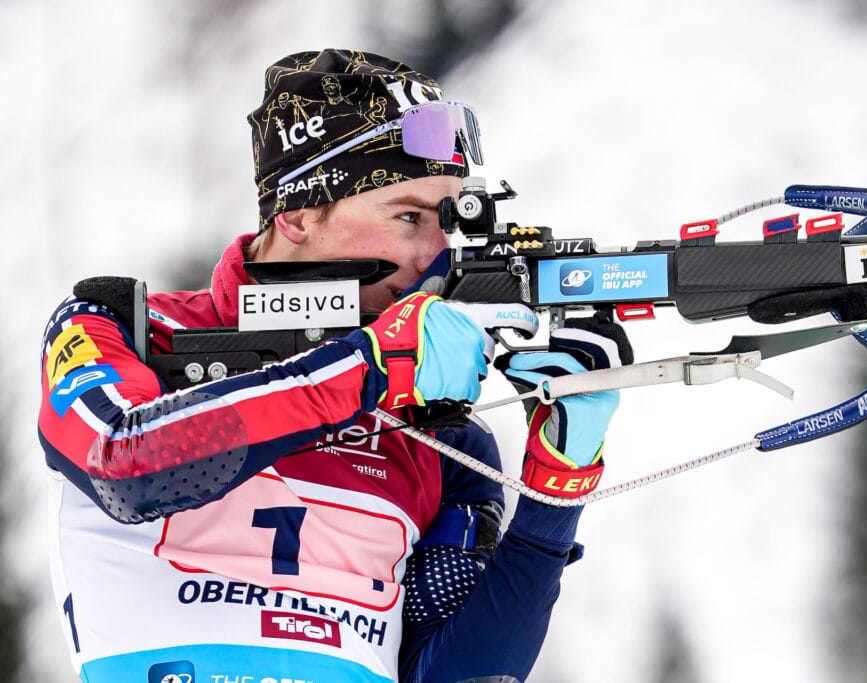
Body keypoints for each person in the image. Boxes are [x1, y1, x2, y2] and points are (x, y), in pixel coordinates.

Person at [38, 49, 629, 683]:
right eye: (408, 216)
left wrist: (554, 491)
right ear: (294, 213)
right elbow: (125, 462)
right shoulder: (126, 328)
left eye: (449, 221)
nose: (436, 253)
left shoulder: (444, 437)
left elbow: (455, 674)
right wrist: (370, 367)